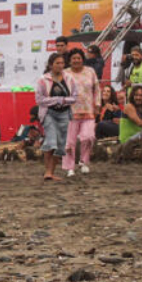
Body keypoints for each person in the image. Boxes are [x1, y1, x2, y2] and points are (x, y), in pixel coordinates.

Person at [36, 53, 74, 182]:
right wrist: (55, 101)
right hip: (49, 113)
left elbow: (74, 97)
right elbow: (39, 99)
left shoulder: (69, 78)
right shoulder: (43, 80)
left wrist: (62, 100)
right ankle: (47, 171)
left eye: (62, 63)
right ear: (51, 64)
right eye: (57, 63)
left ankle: (51, 172)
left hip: (64, 114)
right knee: (51, 140)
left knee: (60, 144)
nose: (60, 65)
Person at [63, 48, 100, 176]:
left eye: (79, 58)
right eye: (73, 58)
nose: (76, 60)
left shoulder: (90, 72)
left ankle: (84, 162)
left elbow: (97, 89)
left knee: (88, 137)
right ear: (69, 60)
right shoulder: (64, 74)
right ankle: (70, 167)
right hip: (70, 112)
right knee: (70, 142)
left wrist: (98, 104)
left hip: (88, 111)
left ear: (82, 59)